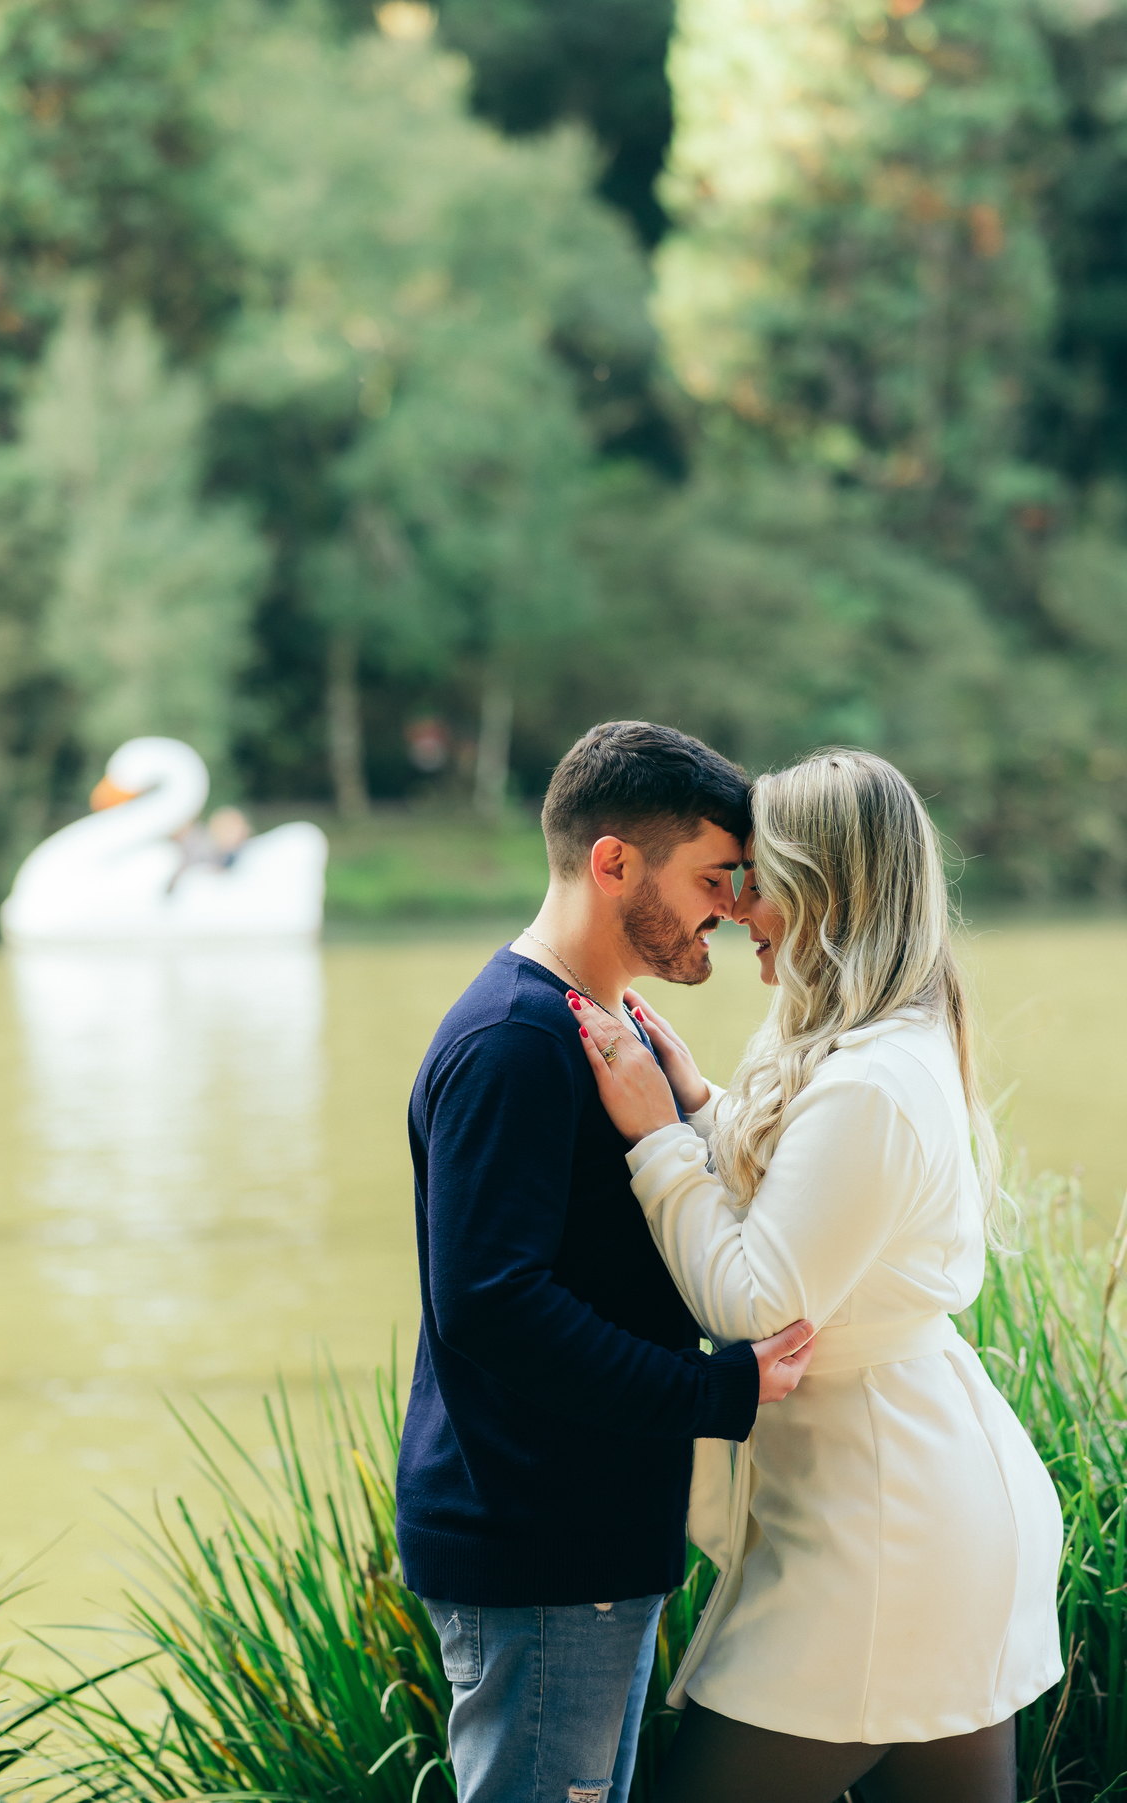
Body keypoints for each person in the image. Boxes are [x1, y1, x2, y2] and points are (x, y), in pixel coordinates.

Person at [569, 748, 1064, 1803]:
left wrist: (658, 1140)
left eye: (759, 881)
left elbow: (756, 1299)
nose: (738, 908)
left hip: (884, 1532)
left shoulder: (875, 1080)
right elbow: (809, 1204)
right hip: (907, 1502)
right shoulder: (881, 1047)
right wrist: (705, 1108)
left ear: (824, 891)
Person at [396, 721, 816, 1803]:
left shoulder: (601, 1024)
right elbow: (493, 1303)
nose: (735, 905)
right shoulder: (517, 1041)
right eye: (714, 877)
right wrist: (715, 1390)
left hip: (587, 1535)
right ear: (614, 862)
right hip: (539, 1542)